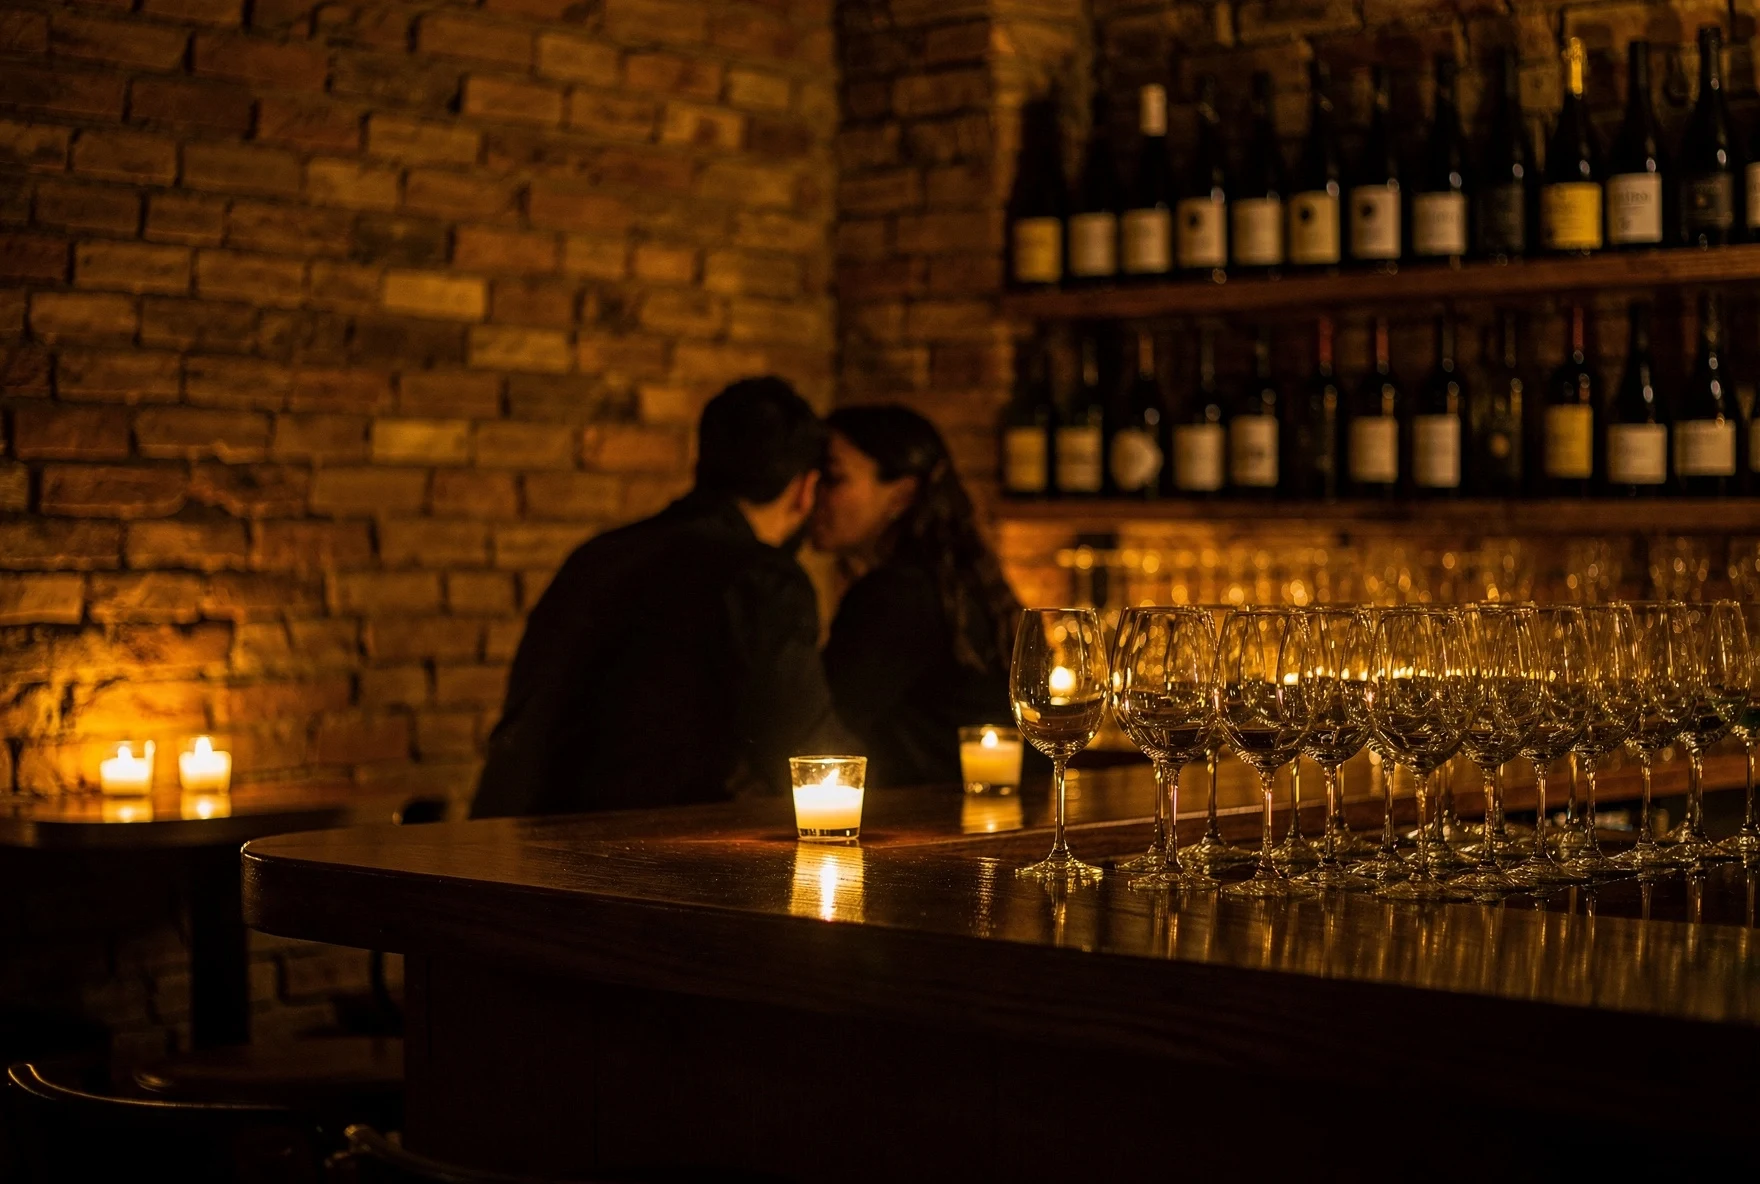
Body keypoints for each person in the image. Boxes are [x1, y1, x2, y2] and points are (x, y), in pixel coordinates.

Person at [472, 378, 837, 818]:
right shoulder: (762, 578)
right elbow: (803, 750)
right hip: (630, 842)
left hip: (514, 828)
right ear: (805, 489)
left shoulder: (600, 554)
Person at [812, 405, 1021, 788]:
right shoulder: (945, 580)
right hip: (976, 806)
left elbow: (819, 727)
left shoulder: (897, 596)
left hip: (938, 813)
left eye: (832, 478)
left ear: (901, 495)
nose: (813, 494)